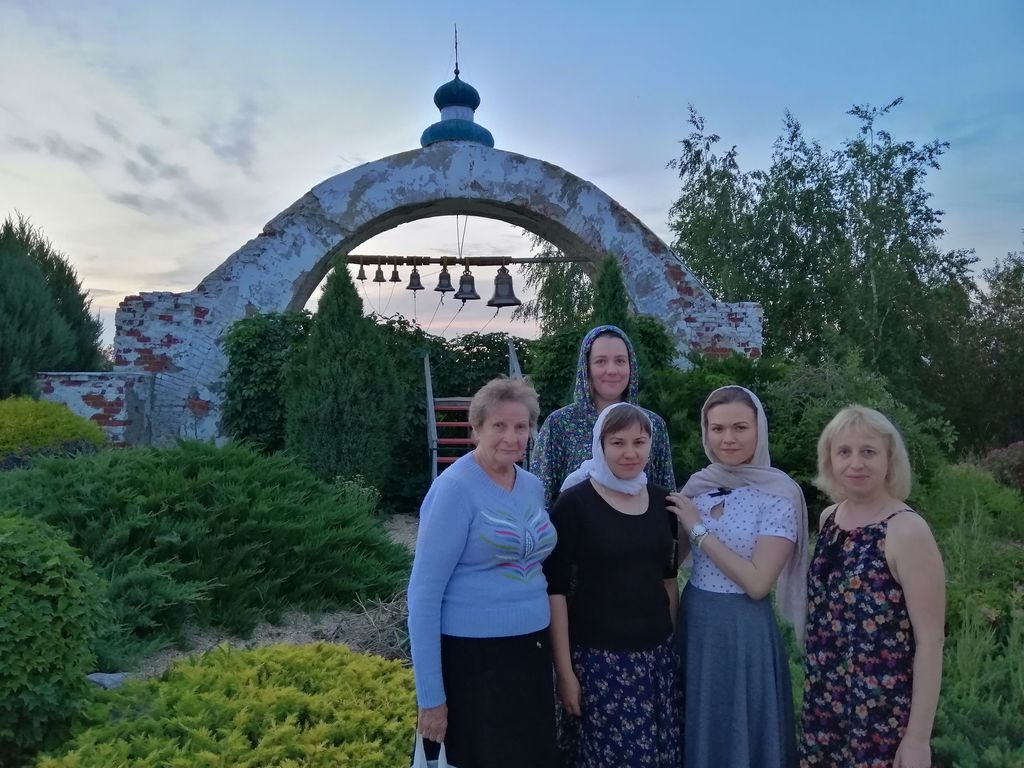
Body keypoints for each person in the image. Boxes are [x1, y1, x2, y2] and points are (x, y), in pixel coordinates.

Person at [407, 377, 559, 768]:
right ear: (476, 429)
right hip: (474, 660)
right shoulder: (453, 489)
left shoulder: (531, 486)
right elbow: (423, 596)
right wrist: (430, 698)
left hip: (530, 652)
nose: (512, 437)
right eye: (499, 425)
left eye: (521, 426)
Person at [667, 385, 807, 768]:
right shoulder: (698, 487)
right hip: (696, 623)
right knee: (701, 722)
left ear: (759, 429)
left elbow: (758, 583)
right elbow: (669, 562)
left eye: (740, 428)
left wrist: (697, 529)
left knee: (741, 727)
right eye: (717, 428)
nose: (727, 438)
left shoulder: (779, 494)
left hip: (744, 628)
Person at [800, 406, 945, 768]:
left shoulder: (907, 530)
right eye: (844, 452)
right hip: (825, 703)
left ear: (889, 459)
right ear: (829, 459)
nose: (856, 463)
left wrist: (917, 739)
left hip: (881, 714)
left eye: (868, 451)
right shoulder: (829, 519)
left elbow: (931, 641)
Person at [543, 402, 681, 768]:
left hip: (657, 660)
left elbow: (669, 579)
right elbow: (555, 591)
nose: (630, 453)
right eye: (618, 442)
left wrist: (673, 648)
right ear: (600, 445)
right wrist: (565, 673)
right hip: (600, 663)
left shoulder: (663, 502)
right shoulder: (574, 503)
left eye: (639, 442)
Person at [532, 324, 675, 507]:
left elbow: (666, 496)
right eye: (601, 361)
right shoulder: (560, 424)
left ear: (631, 366)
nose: (612, 370)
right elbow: (538, 499)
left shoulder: (653, 424)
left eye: (620, 361)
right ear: (587, 368)